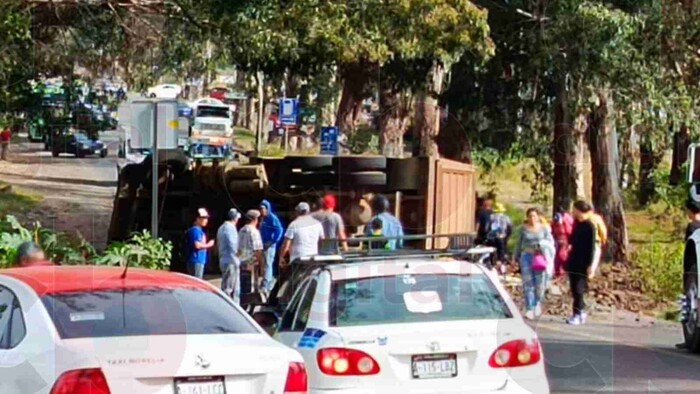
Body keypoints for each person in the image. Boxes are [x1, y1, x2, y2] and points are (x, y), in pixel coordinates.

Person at [513, 208, 555, 320]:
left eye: (534, 216)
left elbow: (551, 243)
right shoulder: (523, 229)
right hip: (526, 256)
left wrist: (543, 247)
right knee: (528, 284)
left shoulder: (544, 228)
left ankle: (537, 303)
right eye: (530, 216)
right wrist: (515, 257)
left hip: (539, 257)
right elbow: (518, 243)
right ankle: (530, 308)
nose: (532, 218)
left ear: (538, 217)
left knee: (540, 283)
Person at [566, 201, 597, 325]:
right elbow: (572, 240)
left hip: (583, 262)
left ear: (579, 210)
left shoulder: (589, 226)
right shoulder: (577, 224)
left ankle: (578, 314)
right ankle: (580, 311)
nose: (573, 212)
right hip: (574, 259)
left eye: (574, 210)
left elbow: (591, 247)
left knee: (579, 288)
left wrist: (590, 265)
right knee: (574, 288)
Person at [238, 209, 265, 296]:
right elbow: (258, 250)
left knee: (243, 286)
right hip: (252, 263)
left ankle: (243, 302)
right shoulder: (254, 232)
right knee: (252, 287)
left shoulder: (241, 230)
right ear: (255, 219)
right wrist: (261, 265)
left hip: (242, 262)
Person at [217, 208, 241, 303]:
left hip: (224, 259)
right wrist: (240, 258)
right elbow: (233, 246)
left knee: (227, 286)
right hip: (231, 261)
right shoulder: (230, 228)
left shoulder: (221, 228)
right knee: (230, 288)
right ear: (235, 218)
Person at [259, 200, 284, 292]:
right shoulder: (263, 219)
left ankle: (267, 283)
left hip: (269, 245)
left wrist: (272, 241)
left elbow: (279, 230)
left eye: (263, 209)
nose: (261, 211)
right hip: (263, 245)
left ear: (267, 209)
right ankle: (268, 279)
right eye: (260, 209)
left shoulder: (272, 217)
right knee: (265, 264)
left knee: (268, 264)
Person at [186, 208, 214, 278]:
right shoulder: (195, 230)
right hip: (196, 260)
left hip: (199, 261)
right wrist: (209, 245)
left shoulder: (199, 230)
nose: (206, 220)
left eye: (207, 218)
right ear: (197, 219)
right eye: (204, 218)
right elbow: (197, 245)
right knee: (196, 282)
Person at [551, 205, 575, 278]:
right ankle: (558, 272)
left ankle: (566, 270)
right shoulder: (556, 217)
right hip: (556, 238)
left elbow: (570, 230)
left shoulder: (567, 218)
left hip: (565, 239)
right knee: (556, 256)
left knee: (562, 255)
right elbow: (552, 227)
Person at [588, 209, 608, 275]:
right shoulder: (596, 218)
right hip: (594, 241)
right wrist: (604, 239)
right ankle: (590, 272)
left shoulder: (579, 218)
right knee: (595, 256)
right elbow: (602, 230)